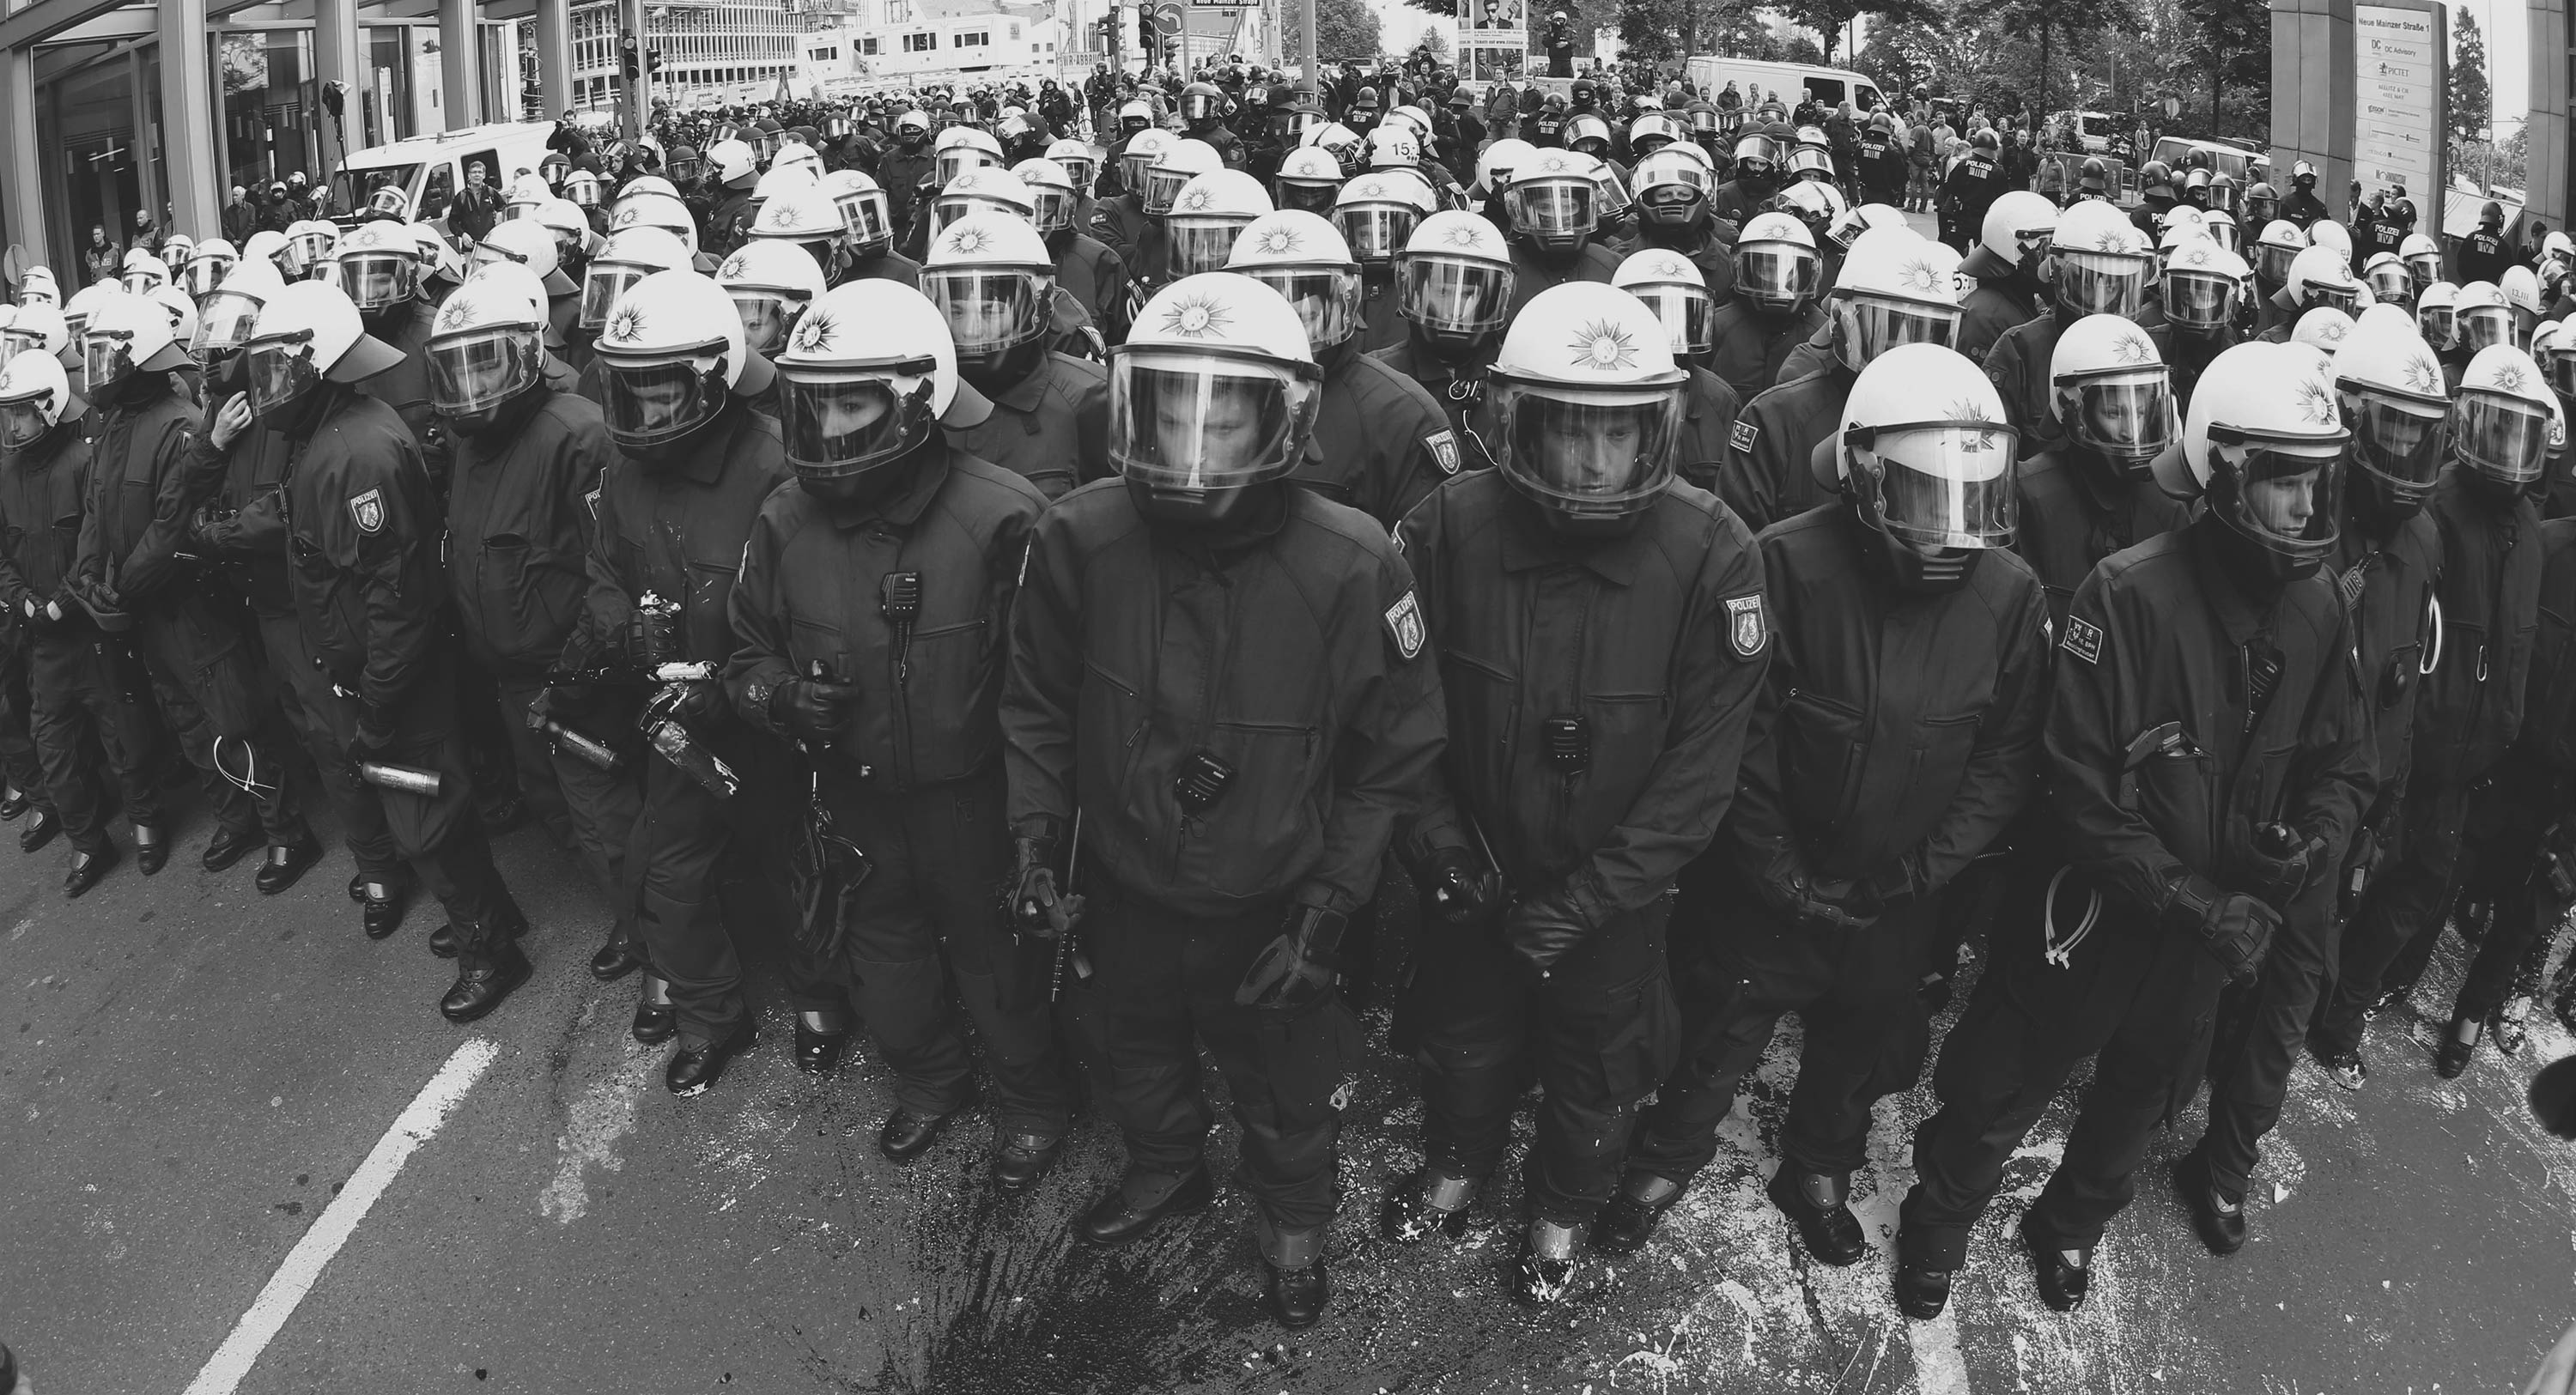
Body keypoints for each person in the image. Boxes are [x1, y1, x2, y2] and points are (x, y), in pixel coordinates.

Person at [999, 274, 1445, 1329]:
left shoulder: (1354, 561)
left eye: (1227, 414)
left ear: (1288, 418)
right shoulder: (1080, 534)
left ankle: (1293, 1222)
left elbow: (1394, 754)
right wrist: (1034, 845)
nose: (1193, 441)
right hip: (1124, 875)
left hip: (1270, 894)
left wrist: (1328, 912)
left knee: (1285, 1083)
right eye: (1167, 411)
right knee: (1130, 1042)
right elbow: (1037, 705)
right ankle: (1167, 1165)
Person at [1606, 343, 2045, 1286]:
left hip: (1899, 890)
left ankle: (1816, 1165)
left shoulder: (2009, 594)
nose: (1951, 533)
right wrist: (1777, 866)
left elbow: (2003, 756)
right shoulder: (1784, 562)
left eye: (1971, 500)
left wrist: (1920, 871)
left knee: (1860, 1040)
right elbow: (1741, 730)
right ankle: (1665, 1154)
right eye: (1924, 497)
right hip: (1771, 879)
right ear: (1861, 477)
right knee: (1721, 1024)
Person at [1381, 282, 1766, 1303]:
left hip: (1616, 892)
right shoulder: (1446, 526)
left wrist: (1590, 900)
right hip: (1474, 861)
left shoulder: (1712, 550)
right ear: (1517, 423)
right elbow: (1400, 714)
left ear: (1658, 432)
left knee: (1598, 1066)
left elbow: (1700, 772)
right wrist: (1441, 848)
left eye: (1619, 434)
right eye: (1567, 431)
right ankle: (1458, 1160)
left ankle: (1559, 1204)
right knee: (1464, 1036)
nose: (1594, 462)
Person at [731, 278, 1072, 1172]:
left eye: (853, 403)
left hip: (974, 801)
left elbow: (1049, 693)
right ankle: (930, 1081)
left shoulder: (1004, 516)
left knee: (1001, 966)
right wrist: (780, 698)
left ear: (919, 400)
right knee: (885, 962)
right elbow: (744, 653)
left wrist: (1038, 829)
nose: (829, 424)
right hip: (852, 798)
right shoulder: (785, 516)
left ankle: (1032, 1102)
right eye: (814, 403)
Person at [2184, 322, 2445, 1251]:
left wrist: (2367, 817)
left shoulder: (2422, 541)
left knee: (2296, 989)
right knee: (2209, 975)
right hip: (2245, 802)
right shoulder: (2292, 525)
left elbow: (2408, 683)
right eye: (2389, 428)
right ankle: (2163, 1099)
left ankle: (2226, 1164)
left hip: (2330, 814)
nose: (2403, 455)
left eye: (2420, 434)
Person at [247, 282, 534, 1021]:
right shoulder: (335, 433)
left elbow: (396, 599)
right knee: (435, 802)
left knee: (425, 818)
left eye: (280, 371)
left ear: (322, 366)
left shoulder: (355, 453)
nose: (268, 390)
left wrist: (376, 702)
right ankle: (493, 915)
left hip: (397, 674)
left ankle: (490, 952)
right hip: (382, 668)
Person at [556, 268, 792, 1087]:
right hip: (679, 722)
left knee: (801, 866)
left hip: (767, 714)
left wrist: (743, 679)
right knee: (669, 872)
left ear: (714, 378)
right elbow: (603, 569)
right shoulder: (625, 472)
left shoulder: (775, 464)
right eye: (626, 391)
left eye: (659, 392)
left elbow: (805, 599)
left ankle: (827, 1003)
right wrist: (626, 630)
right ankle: (712, 1016)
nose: (641, 413)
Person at [2312, 344, 2554, 1086]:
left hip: (2468, 763)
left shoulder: (2532, 530)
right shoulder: (2437, 506)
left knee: (2414, 896)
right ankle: (2312, 1004)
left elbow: (2517, 648)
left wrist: (2503, 732)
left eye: (2522, 432)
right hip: (2411, 743)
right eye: (2496, 426)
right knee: (2354, 884)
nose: (2507, 449)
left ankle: (2342, 1011)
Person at [431, 264, 647, 986]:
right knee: (551, 801)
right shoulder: (469, 445)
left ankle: (650, 930)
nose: (471, 386)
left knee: (602, 811)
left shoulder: (577, 434)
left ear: (526, 354)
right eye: (455, 370)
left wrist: (580, 672)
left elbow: (610, 568)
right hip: (511, 671)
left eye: (485, 364)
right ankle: (630, 905)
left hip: (572, 673)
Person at [75, 292, 323, 887]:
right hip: (144, 605)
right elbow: (95, 511)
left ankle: (287, 830)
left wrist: (123, 586)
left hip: (187, 600)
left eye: (109, 358)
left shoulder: (180, 424)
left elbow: (174, 522)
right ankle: (236, 818)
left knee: (235, 719)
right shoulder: (115, 427)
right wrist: (89, 574)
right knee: (188, 722)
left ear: (140, 359)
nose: (99, 372)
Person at [0, 348, 157, 895]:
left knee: (123, 735)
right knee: (53, 748)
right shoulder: (6, 474)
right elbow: (2, 556)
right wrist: (22, 600)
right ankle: (88, 842)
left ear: (48, 407)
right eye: (7, 413)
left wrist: (63, 601)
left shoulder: (83, 463)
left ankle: (147, 822)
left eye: (21, 412)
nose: (12, 425)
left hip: (89, 632)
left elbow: (100, 543)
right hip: (42, 643)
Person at [1719, 226, 1962, 531]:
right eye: (1887, 330)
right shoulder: (1777, 418)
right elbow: (1740, 543)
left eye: (1931, 334)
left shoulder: (1959, 426)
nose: (1905, 349)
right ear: (1841, 321)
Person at [1226, 209, 1458, 526]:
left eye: (1305, 314)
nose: (1285, 331)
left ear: (1342, 305)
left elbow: (1421, 545)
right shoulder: (1207, 398)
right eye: (1267, 312)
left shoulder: (1399, 414)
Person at [924, 212, 1107, 498]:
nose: (971, 330)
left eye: (991, 311)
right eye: (956, 312)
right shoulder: (923, 399)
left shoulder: (1089, 397)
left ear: (1035, 306)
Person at [1984, 198, 2153, 459]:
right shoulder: (2019, 350)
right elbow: (1992, 456)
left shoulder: (2140, 352)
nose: (2099, 302)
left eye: (2110, 286)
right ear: (2059, 274)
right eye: (2087, 282)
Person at [1957, 191, 2057, 362]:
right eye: (2045, 248)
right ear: (2019, 249)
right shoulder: (1987, 318)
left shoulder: (2016, 301)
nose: (2053, 261)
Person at [449, 161, 507, 245]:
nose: (477, 175)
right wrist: (462, 234)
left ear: (484, 175)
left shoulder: (491, 192)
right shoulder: (461, 196)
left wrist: (500, 214)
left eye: (480, 172)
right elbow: (452, 221)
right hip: (470, 245)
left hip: (490, 243)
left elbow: (504, 208)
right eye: (474, 172)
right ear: (469, 175)